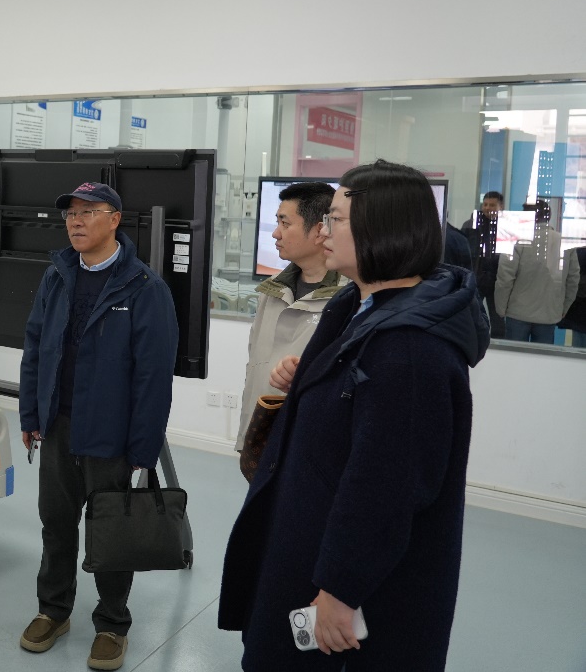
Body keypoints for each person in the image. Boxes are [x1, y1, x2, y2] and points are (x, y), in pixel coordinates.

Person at [219, 159, 489, 671]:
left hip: (349, 585)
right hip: (306, 542)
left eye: (336, 219)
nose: (323, 231)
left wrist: (340, 590)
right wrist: (312, 382)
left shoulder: (411, 351)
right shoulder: (355, 308)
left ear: (379, 228)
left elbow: (387, 487)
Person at [18, 181, 178, 672]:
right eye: (71, 213)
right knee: (56, 525)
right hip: (59, 428)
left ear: (115, 220)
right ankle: (53, 611)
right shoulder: (57, 276)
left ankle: (111, 624)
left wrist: (142, 450)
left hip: (112, 436)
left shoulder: (144, 288)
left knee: (112, 531)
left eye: (89, 211)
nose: (76, 220)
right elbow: (35, 347)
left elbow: (154, 379)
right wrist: (31, 415)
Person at [235, 182, 344, 458]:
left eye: (285, 223)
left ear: (319, 230)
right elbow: (255, 367)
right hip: (261, 434)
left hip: (310, 444)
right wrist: (247, 435)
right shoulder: (272, 289)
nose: (275, 233)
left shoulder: (348, 297)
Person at [494, 199, 577, 345]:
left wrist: (501, 308)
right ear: (549, 216)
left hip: (517, 312)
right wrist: (563, 308)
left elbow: (505, 278)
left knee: (514, 356)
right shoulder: (564, 242)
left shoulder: (516, 240)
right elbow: (573, 279)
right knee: (542, 358)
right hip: (549, 313)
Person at [460, 191, 505, 337]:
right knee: (472, 316)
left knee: (497, 319)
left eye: (492, 205)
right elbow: (462, 250)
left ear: (501, 207)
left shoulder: (506, 227)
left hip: (498, 280)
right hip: (476, 278)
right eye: (485, 204)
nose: (487, 208)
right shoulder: (471, 225)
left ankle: (499, 346)